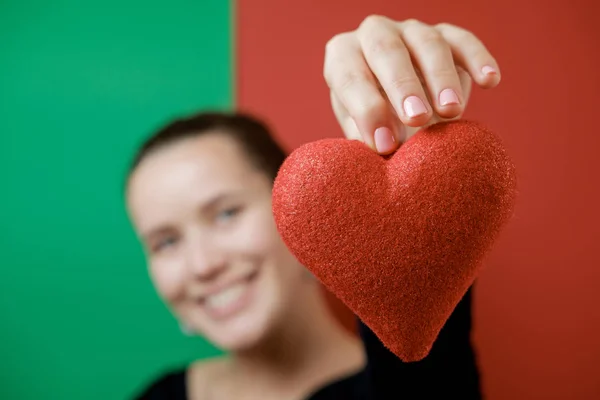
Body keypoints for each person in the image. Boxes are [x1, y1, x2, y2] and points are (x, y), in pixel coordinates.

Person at [125, 15, 500, 399]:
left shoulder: (404, 387)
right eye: (165, 242)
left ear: (296, 213)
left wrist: (421, 178)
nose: (204, 265)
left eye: (226, 213)